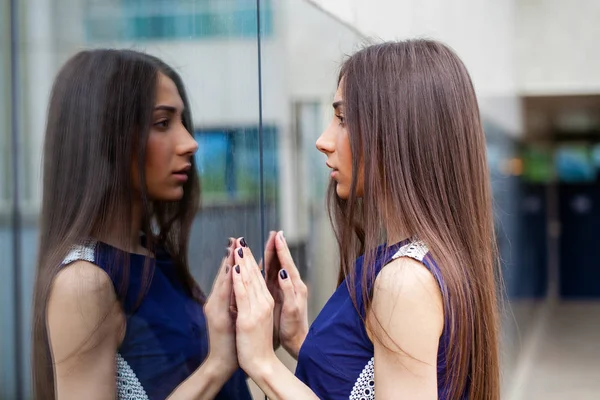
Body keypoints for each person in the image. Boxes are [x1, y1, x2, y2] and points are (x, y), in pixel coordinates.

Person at [228, 39, 501, 399]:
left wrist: (263, 363)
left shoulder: (405, 280)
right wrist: (301, 341)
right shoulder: (419, 263)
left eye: (342, 118)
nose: (324, 141)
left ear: (398, 131)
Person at [31, 49, 251, 400]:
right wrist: (216, 366)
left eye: (182, 122)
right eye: (163, 123)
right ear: (104, 137)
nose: (190, 143)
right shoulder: (84, 282)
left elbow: (179, 371)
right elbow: (205, 370)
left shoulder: (155, 256)